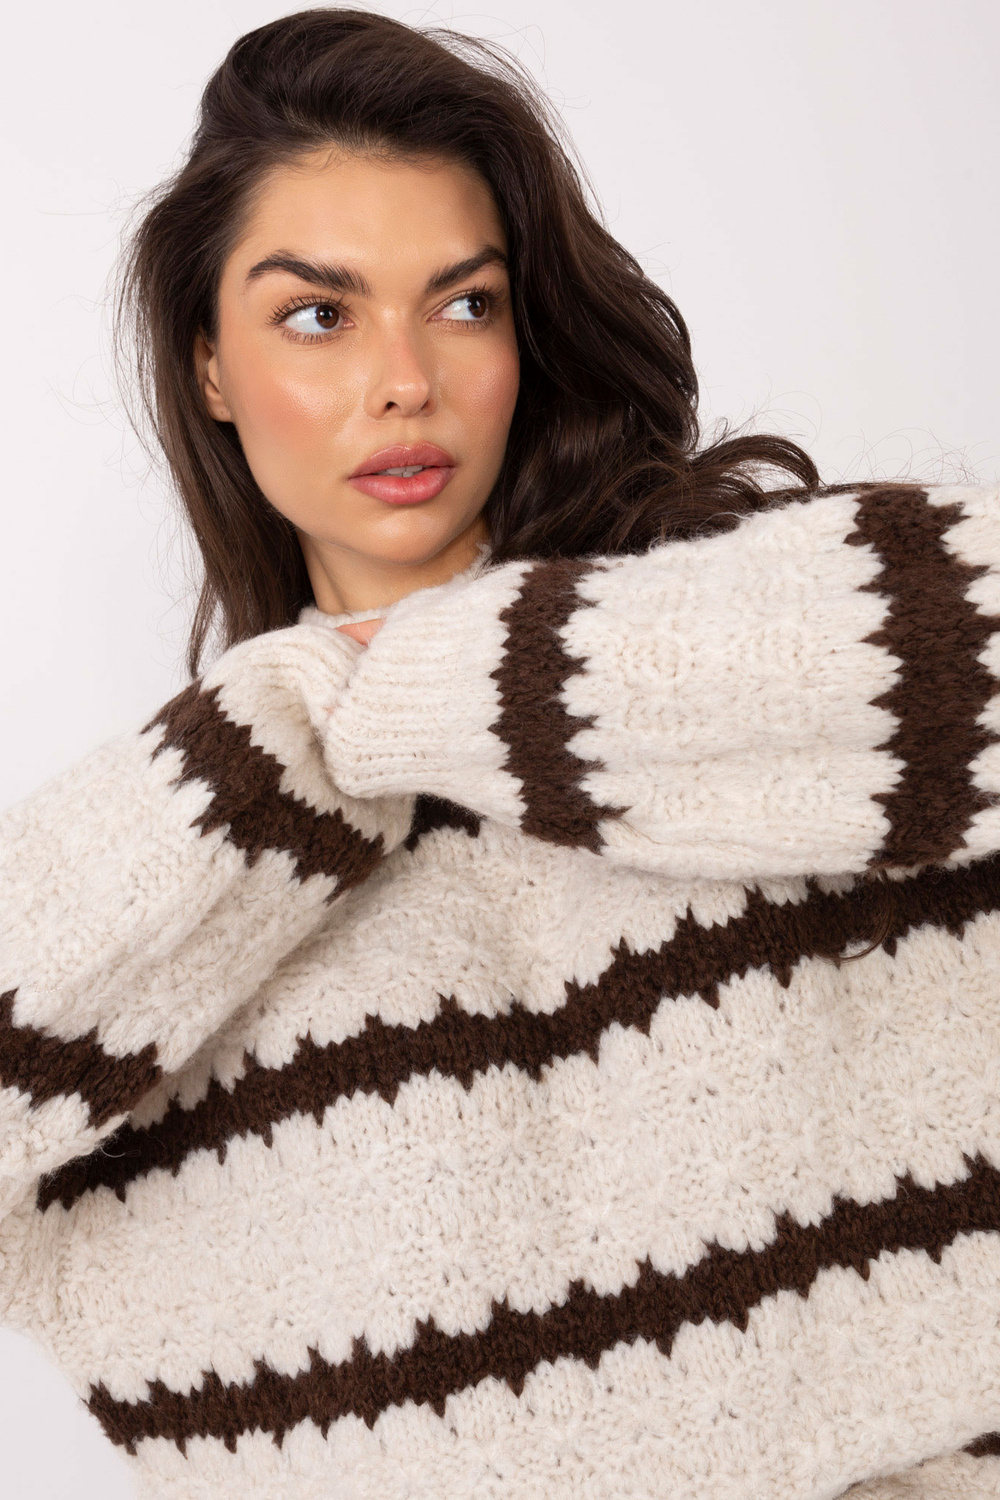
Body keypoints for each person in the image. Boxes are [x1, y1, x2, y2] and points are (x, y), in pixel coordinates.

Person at [1, 9, 998, 1498]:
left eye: (463, 304)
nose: (404, 378)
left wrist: (434, 675)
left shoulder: (731, 661)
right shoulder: (206, 871)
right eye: (318, 316)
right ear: (210, 368)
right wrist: (285, 727)